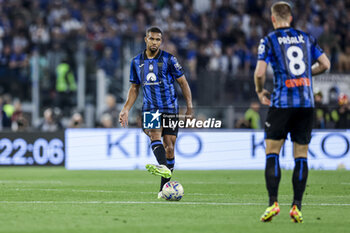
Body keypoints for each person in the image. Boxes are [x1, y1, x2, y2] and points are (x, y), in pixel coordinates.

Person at [254, 2, 330, 223]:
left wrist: (260, 91)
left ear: (273, 18)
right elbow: (325, 64)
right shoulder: (306, 37)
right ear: (291, 18)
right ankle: (297, 206)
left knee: (272, 152)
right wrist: (307, 74)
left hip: (281, 103)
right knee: (301, 155)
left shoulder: (269, 40)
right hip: (306, 104)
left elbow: (260, 73)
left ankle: (273, 203)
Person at [119, 26, 193, 199]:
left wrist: (189, 107)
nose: (154, 42)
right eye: (152, 39)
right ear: (146, 39)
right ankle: (162, 166)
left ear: (161, 41)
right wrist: (126, 108)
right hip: (150, 108)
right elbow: (134, 88)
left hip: (170, 108)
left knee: (170, 147)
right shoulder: (136, 61)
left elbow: (183, 83)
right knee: (154, 135)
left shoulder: (169, 59)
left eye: (158, 39)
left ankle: (162, 189)